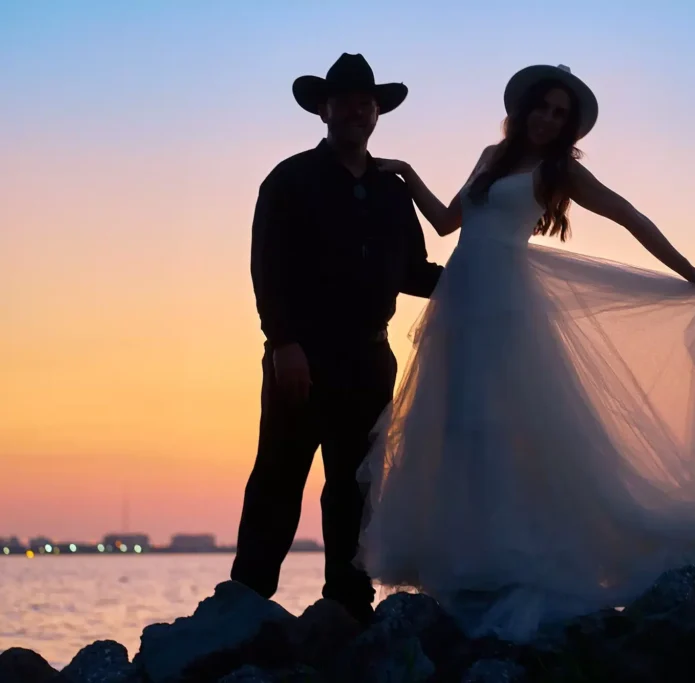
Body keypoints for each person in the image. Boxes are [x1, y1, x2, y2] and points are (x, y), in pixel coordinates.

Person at [357, 64, 695, 641]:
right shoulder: (490, 157)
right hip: (458, 306)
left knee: (499, 430)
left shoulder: (560, 173)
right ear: (523, 109)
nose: (549, 120)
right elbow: (450, 224)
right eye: (543, 108)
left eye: (561, 115)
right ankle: (469, 565)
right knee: (457, 432)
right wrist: (407, 175)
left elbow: (630, 216)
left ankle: (517, 562)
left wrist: (690, 272)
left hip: (505, 309)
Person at [230, 53, 443, 626]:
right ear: (323, 110)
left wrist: (483, 281)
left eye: (367, 102)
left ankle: (348, 604)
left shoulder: (392, 193)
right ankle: (247, 601)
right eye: (346, 100)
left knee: (355, 484)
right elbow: (266, 268)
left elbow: (413, 271)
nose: (357, 110)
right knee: (280, 472)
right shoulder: (290, 179)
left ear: (377, 114)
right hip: (302, 354)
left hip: (371, 358)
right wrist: (283, 344)